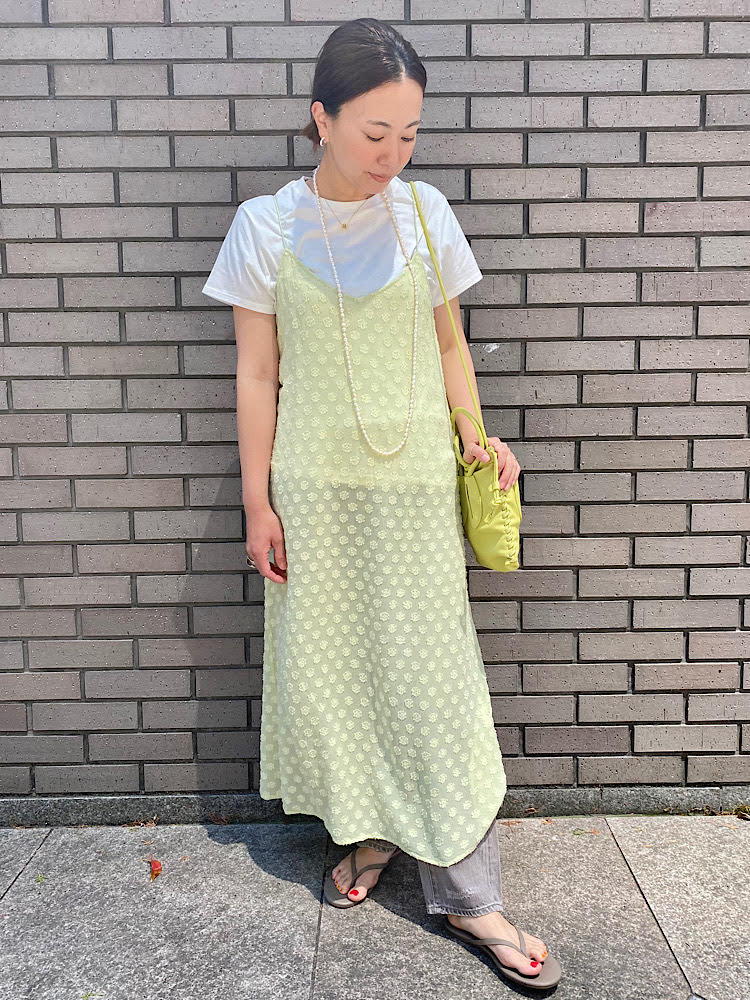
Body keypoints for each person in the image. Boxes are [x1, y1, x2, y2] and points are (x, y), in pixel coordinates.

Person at [201, 17, 561, 990]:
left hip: (413, 496)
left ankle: (472, 895)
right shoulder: (266, 226)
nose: (393, 155)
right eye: (374, 134)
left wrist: (477, 437)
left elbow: (449, 346)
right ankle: (371, 836)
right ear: (321, 118)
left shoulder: (426, 214)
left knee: (437, 689)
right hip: (314, 495)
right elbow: (256, 374)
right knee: (341, 682)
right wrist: (257, 504)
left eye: (409, 135)